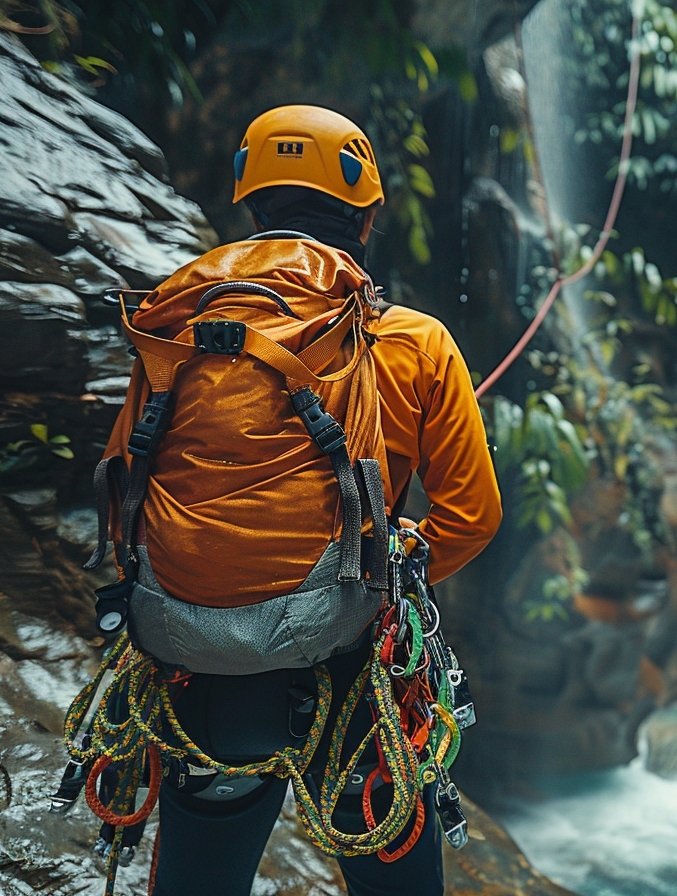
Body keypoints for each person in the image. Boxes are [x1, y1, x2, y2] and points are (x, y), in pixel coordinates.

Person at [124, 104, 501, 896]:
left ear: (253, 213)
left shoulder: (182, 334)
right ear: (364, 220)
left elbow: (130, 480)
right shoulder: (415, 342)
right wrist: (391, 555)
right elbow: (472, 517)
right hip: (358, 674)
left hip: (202, 659)